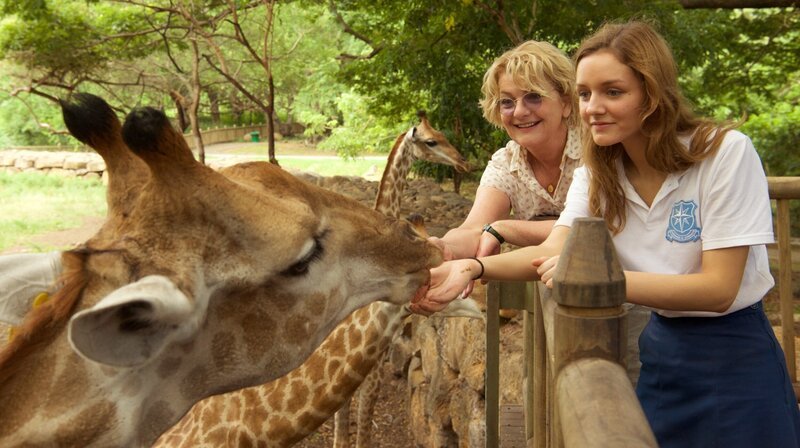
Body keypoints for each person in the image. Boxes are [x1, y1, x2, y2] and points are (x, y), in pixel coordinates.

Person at [411, 20, 800, 448]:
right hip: (663, 352)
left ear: (652, 95)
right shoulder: (599, 172)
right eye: (584, 94)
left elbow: (719, 289)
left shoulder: (723, 153)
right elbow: (557, 246)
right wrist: (474, 266)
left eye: (613, 92)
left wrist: (597, 282)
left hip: (735, 357)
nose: (592, 107)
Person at [429, 39, 581, 300]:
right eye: (507, 102)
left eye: (533, 97)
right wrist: (443, 248)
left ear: (566, 103)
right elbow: (475, 228)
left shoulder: (596, 152)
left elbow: (599, 228)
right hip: (553, 295)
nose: (519, 112)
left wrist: (505, 229)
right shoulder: (507, 164)